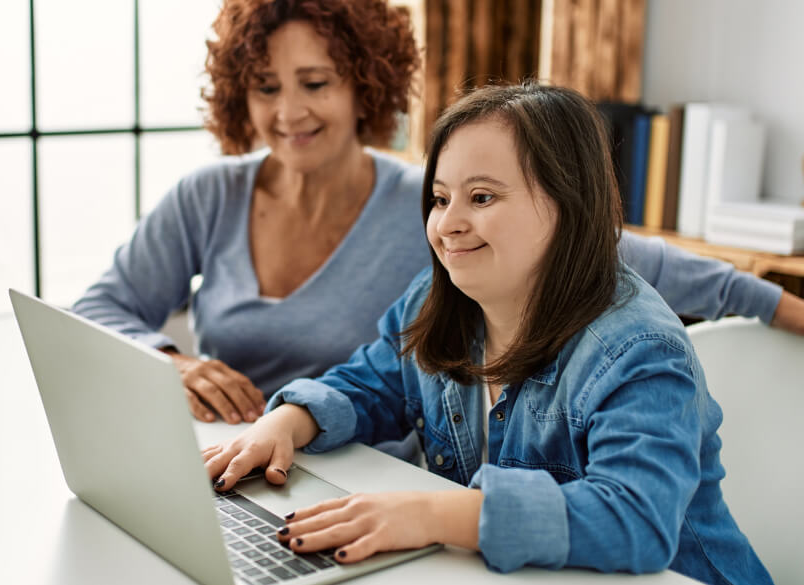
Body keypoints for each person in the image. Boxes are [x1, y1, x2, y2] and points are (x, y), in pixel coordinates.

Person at [72, 0, 804, 426]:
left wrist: (777, 305)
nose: (288, 111)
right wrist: (170, 361)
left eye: (314, 82)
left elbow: (630, 256)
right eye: (265, 87)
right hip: (233, 457)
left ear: (365, 85)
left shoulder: (432, 204)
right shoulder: (210, 197)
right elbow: (100, 307)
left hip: (364, 476)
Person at [203, 83, 772, 585]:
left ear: (566, 205)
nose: (447, 224)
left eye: (482, 197)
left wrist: (427, 516)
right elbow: (373, 383)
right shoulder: (437, 300)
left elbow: (634, 519)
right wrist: (287, 421)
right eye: (441, 198)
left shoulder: (640, 350)